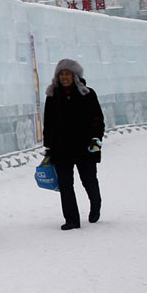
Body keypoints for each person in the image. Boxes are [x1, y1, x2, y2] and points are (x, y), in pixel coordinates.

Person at [42, 57, 105, 230]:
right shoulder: (52, 95)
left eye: (67, 73)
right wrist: (48, 146)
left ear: (74, 75)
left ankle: (95, 204)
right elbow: (48, 122)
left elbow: (98, 119)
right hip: (61, 148)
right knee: (65, 184)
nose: (64, 77)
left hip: (85, 146)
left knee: (89, 180)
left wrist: (96, 141)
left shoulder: (87, 93)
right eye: (61, 74)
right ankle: (71, 219)